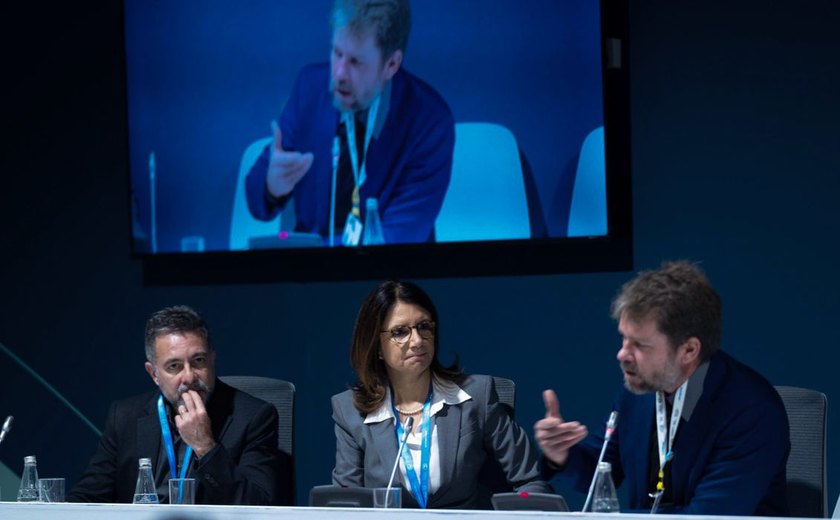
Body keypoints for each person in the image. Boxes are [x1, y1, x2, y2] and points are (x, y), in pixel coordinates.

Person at [534, 261, 790, 515]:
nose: (622, 354)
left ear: (689, 350)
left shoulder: (751, 412)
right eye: (624, 338)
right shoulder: (637, 393)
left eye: (640, 345)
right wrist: (562, 454)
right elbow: (599, 469)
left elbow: (711, 516)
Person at [246, 0, 454, 246]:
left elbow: (399, 239)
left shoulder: (429, 120)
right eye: (337, 53)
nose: (339, 74)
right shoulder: (310, 88)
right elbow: (255, 197)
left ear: (391, 65)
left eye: (355, 62)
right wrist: (272, 185)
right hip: (310, 273)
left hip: (389, 277)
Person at [331, 280, 549, 509]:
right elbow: (346, 503)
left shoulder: (477, 396)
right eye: (400, 332)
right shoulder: (349, 410)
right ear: (376, 346)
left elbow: (530, 482)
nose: (416, 341)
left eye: (424, 326)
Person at [68, 306, 288, 505]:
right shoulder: (124, 416)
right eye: (174, 366)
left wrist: (206, 446)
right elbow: (87, 497)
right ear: (153, 373)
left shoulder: (254, 417)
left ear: (212, 360)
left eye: (198, 361)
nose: (189, 377)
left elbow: (258, 505)